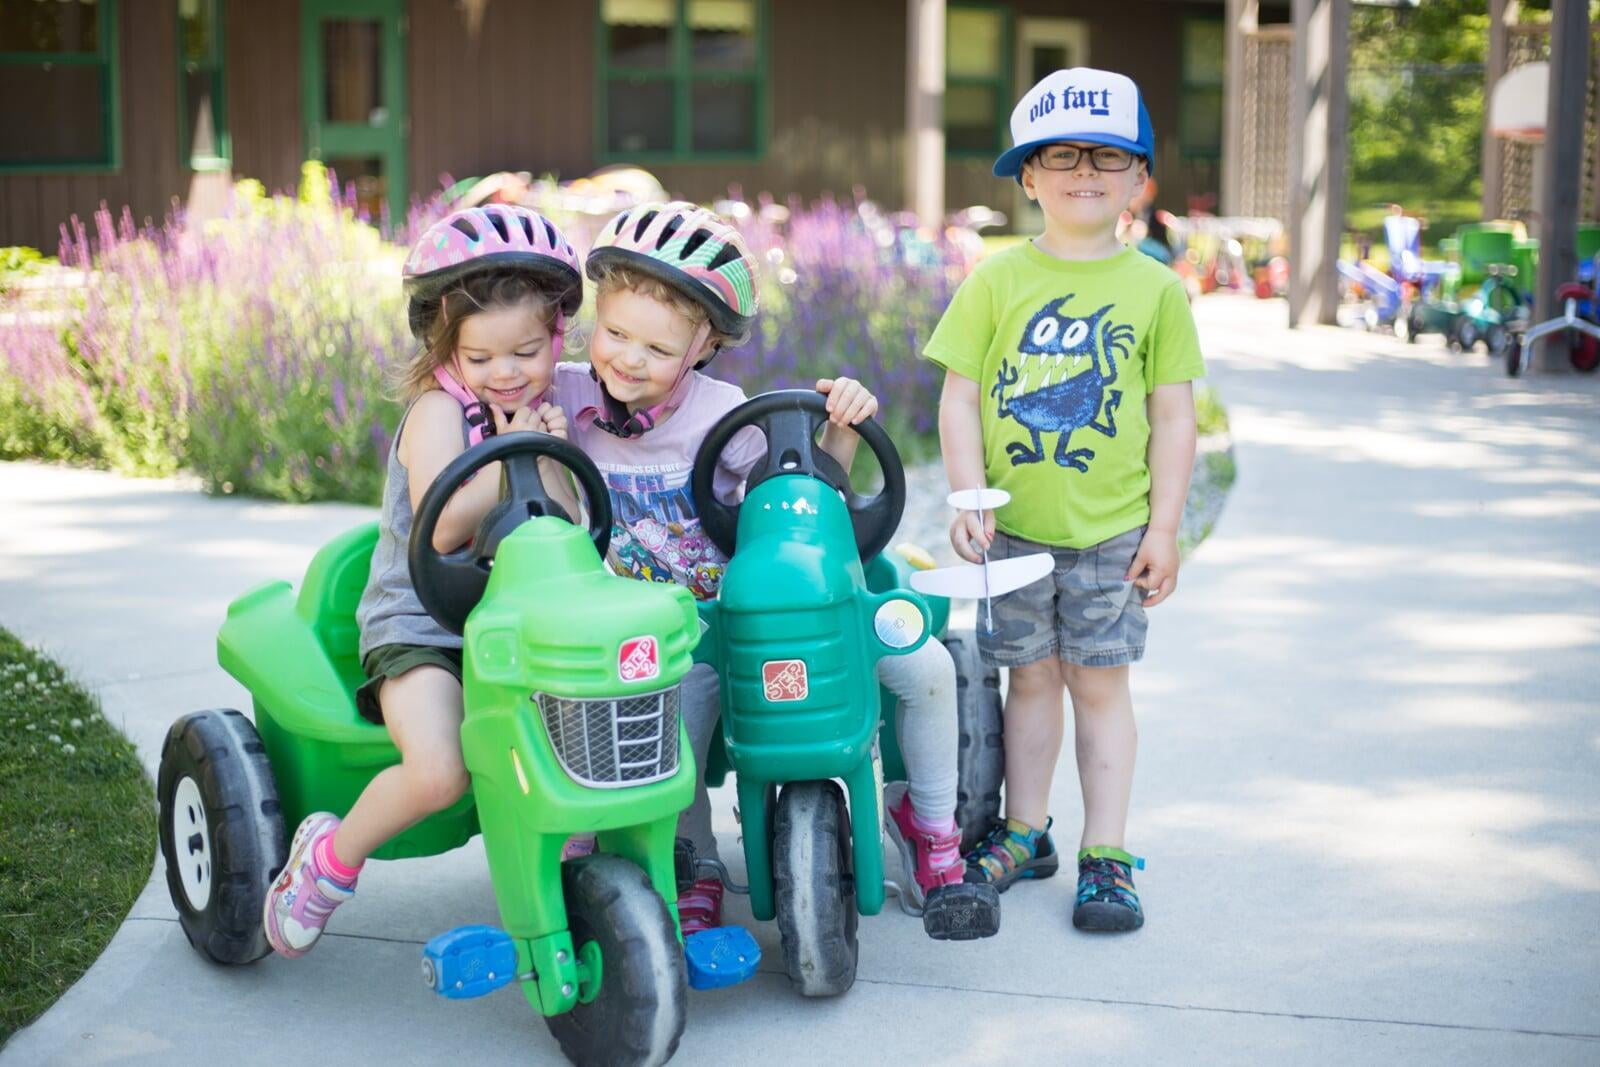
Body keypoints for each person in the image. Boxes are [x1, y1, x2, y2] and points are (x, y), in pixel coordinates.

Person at [558, 200, 1001, 940]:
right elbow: (492, 401)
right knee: (674, 724)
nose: (628, 359)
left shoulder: (722, 415)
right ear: (594, 317)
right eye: (614, 333)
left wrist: (839, 429)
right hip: (661, 638)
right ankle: (692, 857)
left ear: (704, 344)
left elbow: (799, 506)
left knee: (923, 668)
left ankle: (929, 826)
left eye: (657, 348)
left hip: (752, 620)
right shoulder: (568, 397)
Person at [925, 68, 1206, 932]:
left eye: (1107, 155)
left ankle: (1108, 852)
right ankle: (1022, 830)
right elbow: (960, 395)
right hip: (1014, 533)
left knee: (1098, 685)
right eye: (1061, 155)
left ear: (1138, 178)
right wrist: (969, 497)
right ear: (1029, 176)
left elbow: (1173, 415)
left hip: (1110, 536)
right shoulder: (996, 280)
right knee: (1031, 683)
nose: (1084, 169)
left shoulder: (1155, 289)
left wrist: (1164, 526)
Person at [262, 205, 583, 957]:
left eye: (527, 351)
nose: (505, 372)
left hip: (516, 627)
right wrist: (517, 452)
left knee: (586, 745)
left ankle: (573, 866)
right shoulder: (438, 413)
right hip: (423, 628)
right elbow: (445, 527)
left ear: (557, 338)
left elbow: (570, 526)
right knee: (441, 771)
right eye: (481, 358)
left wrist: (552, 458)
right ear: (446, 348)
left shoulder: (540, 412)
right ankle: (330, 860)